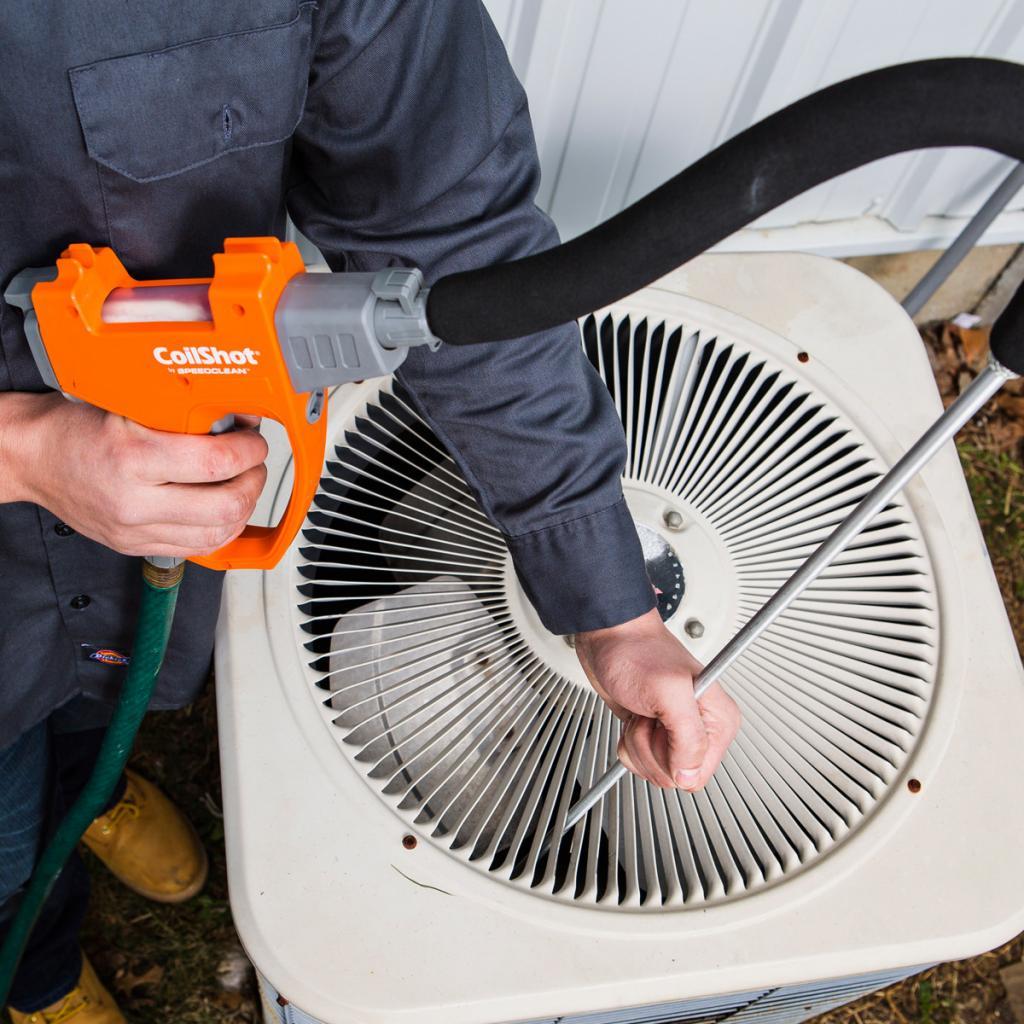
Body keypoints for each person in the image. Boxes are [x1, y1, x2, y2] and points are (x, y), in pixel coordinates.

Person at [0, 2, 740, 1020]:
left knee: (107, 693)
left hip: (145, 538)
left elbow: (457, 247)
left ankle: (90, 788)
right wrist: (23, 454)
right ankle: (34, 962)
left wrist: (614, 610)